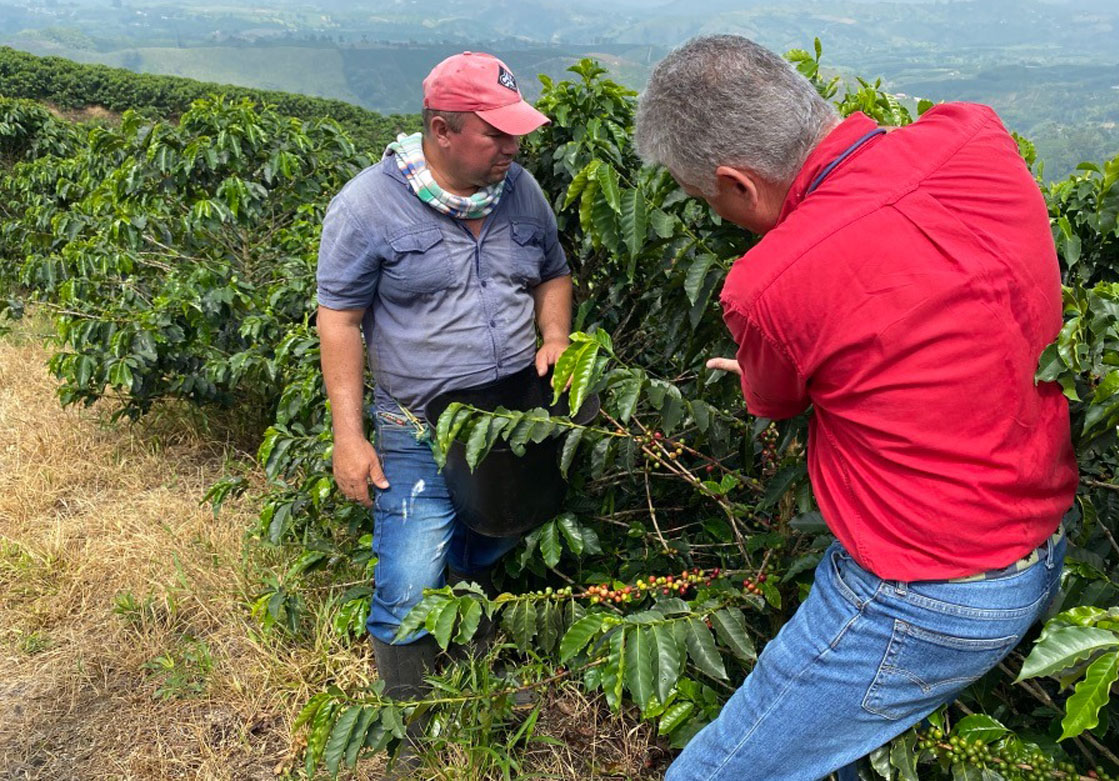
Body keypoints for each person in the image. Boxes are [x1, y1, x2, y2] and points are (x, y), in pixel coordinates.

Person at [634, 36, 1078, 781]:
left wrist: (760, 354)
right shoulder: (973, 132)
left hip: (926, 591)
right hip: (1042, 541)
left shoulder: (768, 284)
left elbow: (773, 399)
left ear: (738, 184)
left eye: (705, 198)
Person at [314, 51, 572, 712]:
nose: (511, 148)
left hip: (509, 414)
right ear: (441, 129)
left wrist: (555, 338)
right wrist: (350, 436)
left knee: (497, 526)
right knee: (407, 571)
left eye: (515, 133)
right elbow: (339, 319)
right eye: (496, 133)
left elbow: (553, 270)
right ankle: (411, 713)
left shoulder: (521, 191)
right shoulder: (368, 207)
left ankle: (469, 639)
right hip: (416, 422)